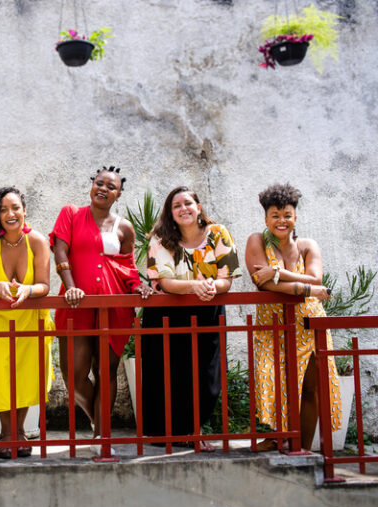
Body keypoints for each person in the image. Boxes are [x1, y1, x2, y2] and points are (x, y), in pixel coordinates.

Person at [50, 166, 151, 456]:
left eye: (111, 186)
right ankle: (99, 423)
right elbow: (60, 250)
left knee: (105, 371)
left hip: (112, 304)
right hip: (76, 304)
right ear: (91, 185)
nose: (103, 189)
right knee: (73, 376)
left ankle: (101, 437)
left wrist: (138, 288)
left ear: (118, 194)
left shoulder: (124, 227)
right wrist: (70, 286)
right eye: (99, 183)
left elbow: (128, 266)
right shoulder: (70, 214)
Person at [141, 186, 241, 451]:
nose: (183, 209)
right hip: (167, 312)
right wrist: (193, 287)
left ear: (198, 207)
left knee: (206, 376)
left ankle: (192, 430)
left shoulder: (219, 234)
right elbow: (164, 281)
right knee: (166, 373)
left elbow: (226, 279)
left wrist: (211, 287)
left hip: (208, 309)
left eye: (188, 203)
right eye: (177, 206)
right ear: (171, 214)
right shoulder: (161, 238)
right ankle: (165, 435)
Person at [245, 183, 341, 451]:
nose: (281, 220)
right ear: (266, 219)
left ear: (295, 217)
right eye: (275, 215)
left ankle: (303, 448)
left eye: (287, 214)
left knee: (310, 389)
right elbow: (262, 283)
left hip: (308, 323)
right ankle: (279, 437)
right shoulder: (257, 241)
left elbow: (317, 276)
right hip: (272, 325)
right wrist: (309, 289)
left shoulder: (308, 245)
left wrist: (279, 273)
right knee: (275, 381)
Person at [0, 187, 54, 458]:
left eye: (15, 208)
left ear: (25, 210)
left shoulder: (37, 241)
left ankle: (18, 432)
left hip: (30, 319)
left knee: (26, 378)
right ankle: (6, 432)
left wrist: (27, 290)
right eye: (3, 210)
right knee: (1, 377)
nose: (10, 214)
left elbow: (44, 285)